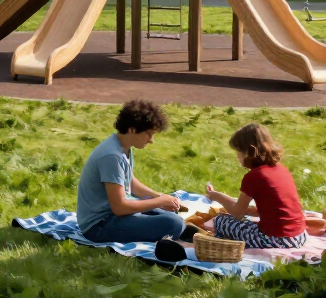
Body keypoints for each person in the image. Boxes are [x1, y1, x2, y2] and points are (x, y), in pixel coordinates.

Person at [76, 100, 186, 246]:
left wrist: (160, 197)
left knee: (173, 216)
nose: (151, 140)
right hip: (99, 226)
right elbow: (120, 208)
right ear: (132, 129)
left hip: (115, 215)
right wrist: (159, 202)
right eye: (149, 134)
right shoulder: (112, 156)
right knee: (174, 224)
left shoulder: (122, 147)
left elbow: (130, 182)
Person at [203, 123, 308, 249]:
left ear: (249, 151)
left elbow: (237, 213)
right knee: (242, 221)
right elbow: (270, 210)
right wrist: (244, 210)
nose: (237, 155)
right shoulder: (281, 169)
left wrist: (216, 196)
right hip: (299, 236)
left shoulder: (254, 176)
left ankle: (219, 241)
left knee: (221, 221)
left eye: (239, 151)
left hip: (277, 239)